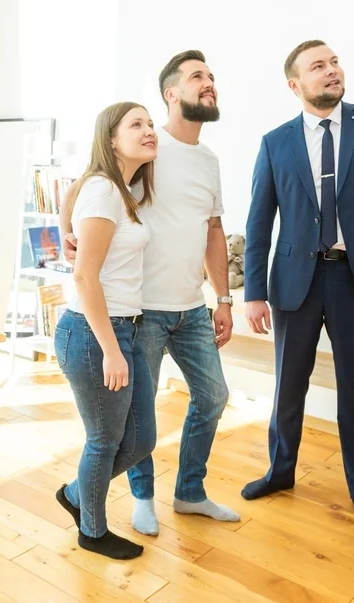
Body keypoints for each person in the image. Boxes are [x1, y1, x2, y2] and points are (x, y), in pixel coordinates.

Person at [240, 39, 354, 535]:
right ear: (295, 85)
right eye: (318, 66)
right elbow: (259, 222)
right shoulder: (276, 142)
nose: (332, 71)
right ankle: (279, 471)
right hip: (294, 281)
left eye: (335, 62)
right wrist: (254, 291)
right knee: (286, 386)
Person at [62, 50, 239, 538]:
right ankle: (143, 498)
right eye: (197, 76)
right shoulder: (146, 145)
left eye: (211, 76)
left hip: (193, 308)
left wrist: (223, 300)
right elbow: (85, 185)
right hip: (141, 312)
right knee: (137, 423)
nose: (209, 83)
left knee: (213, 397)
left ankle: (190, 492)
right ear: (171, 93)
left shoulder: (208, 161)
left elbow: (213, 229)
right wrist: (65, 232)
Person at [53, 101, 160, 560]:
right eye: (137, 124)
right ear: (111, 138)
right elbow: (84, 277)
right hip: (97, 333)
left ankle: (77, 494)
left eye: (151, 123)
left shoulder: (117, 191)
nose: (149, 130)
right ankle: (91, 531)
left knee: (141, 439)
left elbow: (70, 202)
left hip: (124, 328)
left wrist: (63, 228)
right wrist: (111, 350)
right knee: (105, 440)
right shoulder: (102, 191)